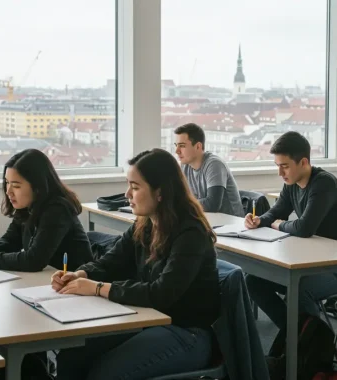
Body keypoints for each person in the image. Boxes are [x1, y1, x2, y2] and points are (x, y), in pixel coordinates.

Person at [52, 148, 220, 380]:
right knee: (72, 357)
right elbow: (112, 261)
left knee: (103, 375)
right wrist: (80, 273)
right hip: (146, 318)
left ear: (160, 192)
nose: (127, 194)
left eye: (135, 186)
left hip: (185, 332)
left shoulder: (191, 233)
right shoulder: (146, 224)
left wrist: (97, 287)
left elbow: (161, 294)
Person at [244, 131, 337, 363]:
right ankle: (302, 335)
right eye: (278, 166)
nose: (280, 172)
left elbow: (304, 227)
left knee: (301, 287)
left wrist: (276, 224)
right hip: (311, 260)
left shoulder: (324, 183)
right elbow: (277, 212)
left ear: (304, 162)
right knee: (252, 281)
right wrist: (260, 220)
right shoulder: (292, 183)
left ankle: (309, 350)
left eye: (284, 166)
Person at [0, 149, 93, 272]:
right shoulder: (28, 206)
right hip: (49, 280)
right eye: (7, 182)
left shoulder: (57, 210)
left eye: (16, 186)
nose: (8, 191)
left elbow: (34, 260)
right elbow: (11, 241)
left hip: (74, 284)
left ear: (37, 186)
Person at [174, 123, 244, 217]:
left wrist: (181, 204)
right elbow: (181, 196)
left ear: (198, 146)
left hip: (230, 223)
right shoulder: (185, 165)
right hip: (207, 219)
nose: (177, 151)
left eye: (182, 146)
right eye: (176, 145)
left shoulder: (214, 164)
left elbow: (212, 204)